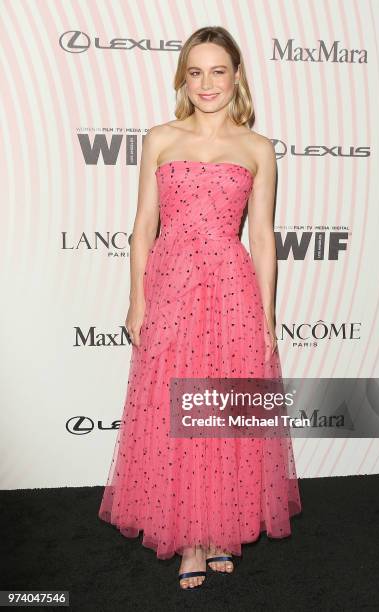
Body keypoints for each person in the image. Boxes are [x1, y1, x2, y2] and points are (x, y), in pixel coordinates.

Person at [98, 25, 302, 590]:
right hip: (171, 284)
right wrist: (136, 299)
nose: (207, 82)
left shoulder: (257, 148)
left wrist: (266, 319)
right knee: (173, 406)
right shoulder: (160, 138)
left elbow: (262, 238)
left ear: (236, 76)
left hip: (231, 287)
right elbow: (142, 227)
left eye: (218, 70)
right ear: (182, 79)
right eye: (196, 71)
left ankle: (216, 533)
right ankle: (189, 538)